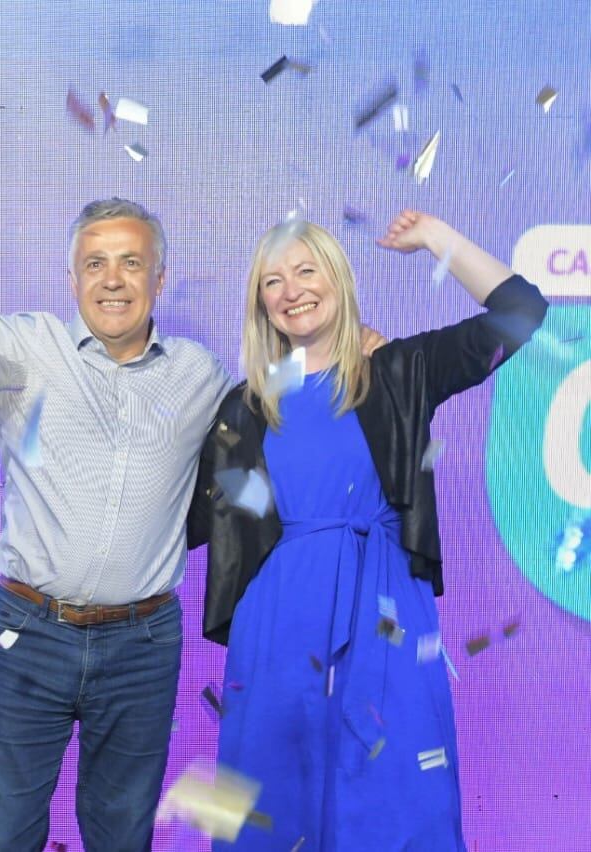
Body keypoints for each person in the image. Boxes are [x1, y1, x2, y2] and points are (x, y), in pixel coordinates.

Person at [0, 106, 232, 851]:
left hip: (145, 643)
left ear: (160, 277)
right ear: (72, 277)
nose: (113, 280)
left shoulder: (201, 375)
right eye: (95, 263)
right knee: (4, 834)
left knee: (123, 835)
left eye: (131, 262)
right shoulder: (22, 353)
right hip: (28, 633)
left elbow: (286, 425)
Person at [189, 211, 549, 850]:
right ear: (260, 303)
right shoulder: (241, 410)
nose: (292, 289)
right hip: (274, 626)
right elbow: (187, 516)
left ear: (338, 279)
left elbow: (520, 311)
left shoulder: (399, 371)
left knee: (396, 792)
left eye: (306, 270)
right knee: (273, 802)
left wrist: (438, 237)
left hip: (384, 614)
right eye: (274, 281)